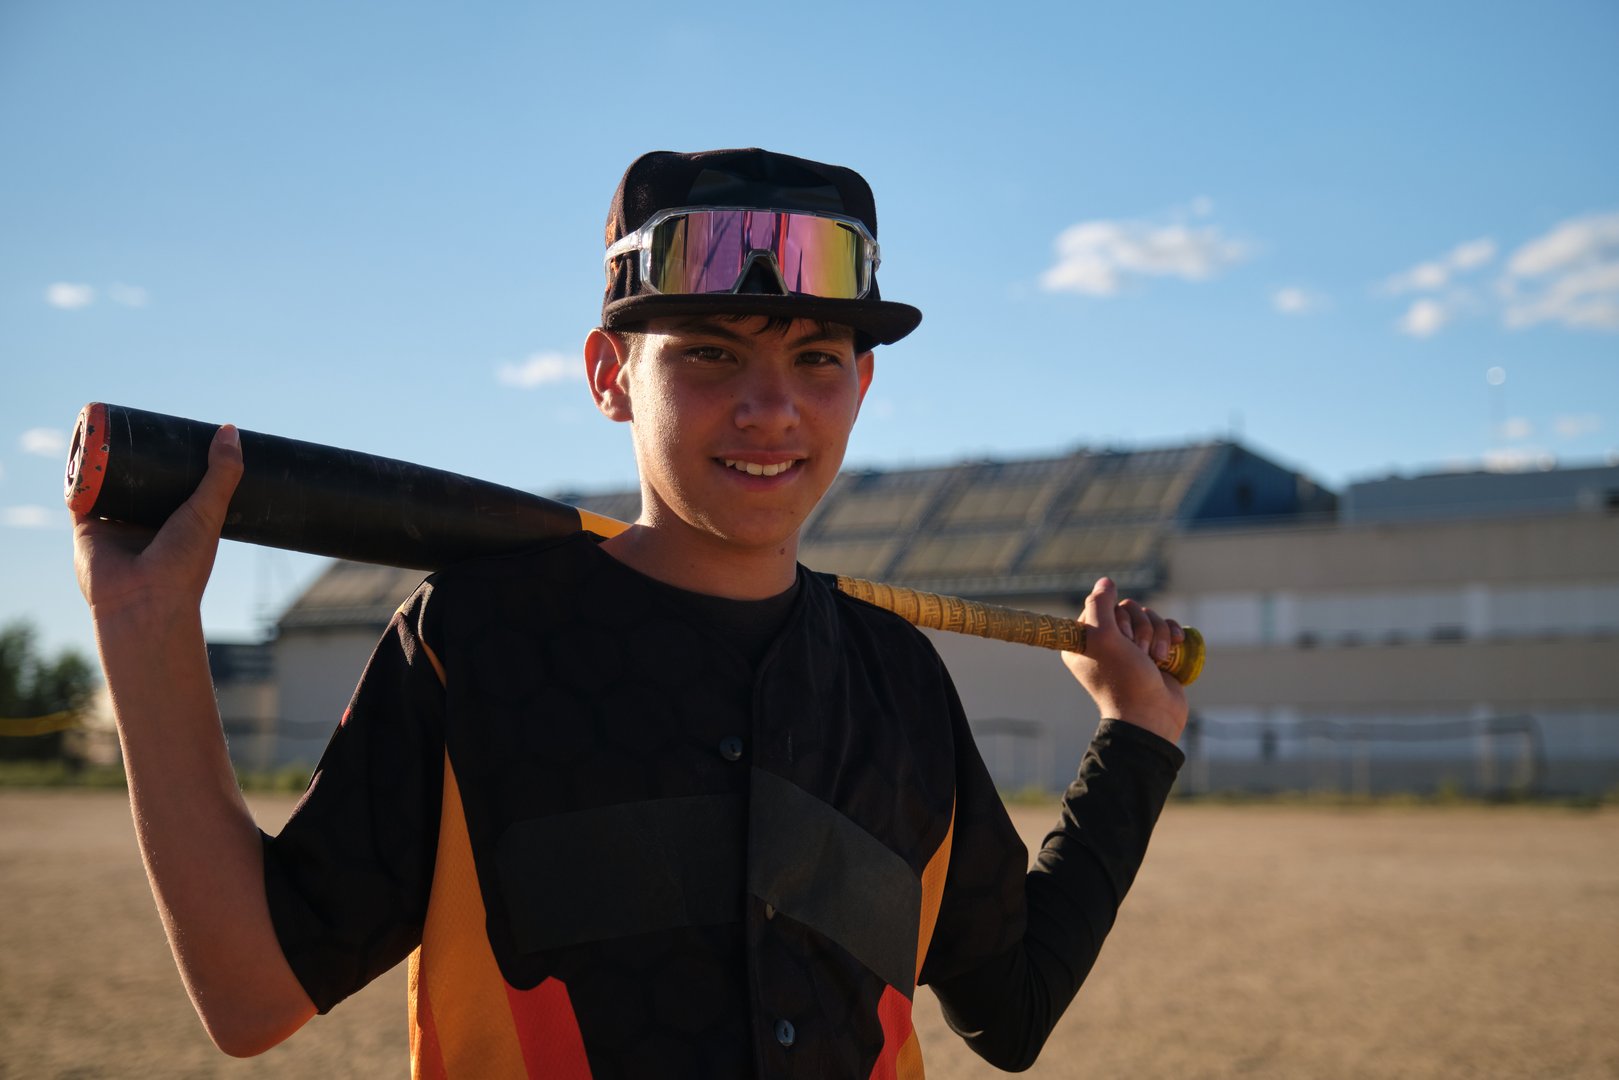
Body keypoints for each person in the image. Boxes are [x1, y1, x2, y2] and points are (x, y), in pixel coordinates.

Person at [74, 147, 1189, 1077]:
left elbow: (1013, 1007)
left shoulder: (895, 680)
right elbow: (250, 991)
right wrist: (146, 627)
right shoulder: (479, 640)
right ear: (609, 375)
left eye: (816, 358)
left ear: (861, 386)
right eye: (708, 353)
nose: (770, 408)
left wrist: (1137, 741)